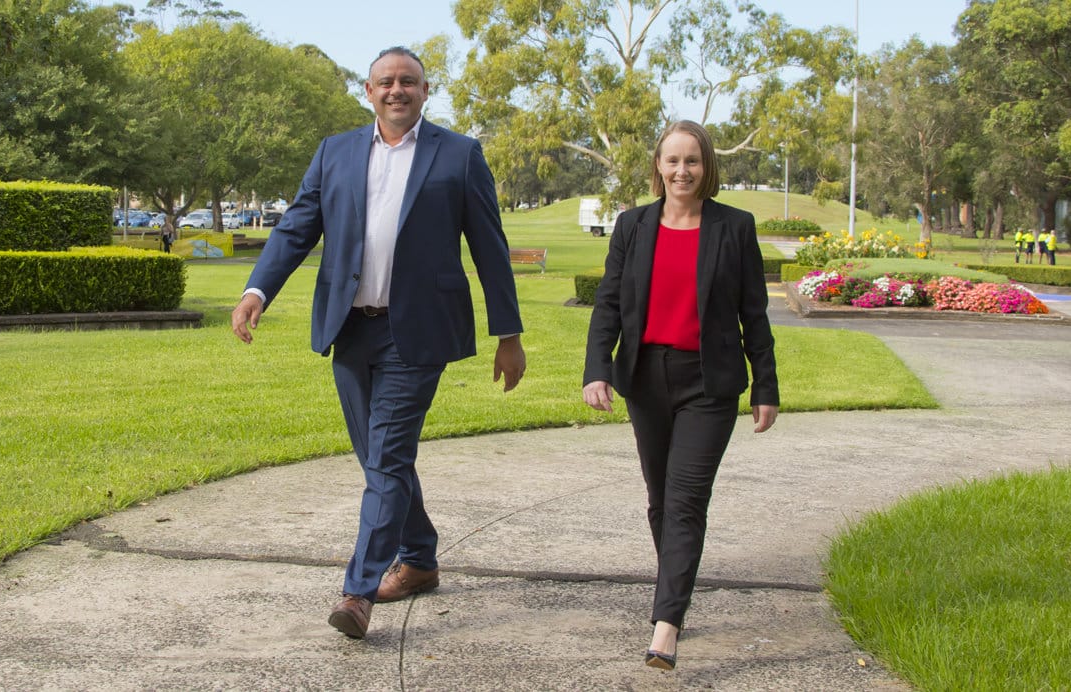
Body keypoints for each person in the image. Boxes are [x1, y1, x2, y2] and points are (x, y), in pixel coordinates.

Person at [231, 46, 526, 640]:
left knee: (387, 456)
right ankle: (418, 557)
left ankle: (358, 592)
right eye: (386, 82)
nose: (397, 90)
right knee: (381, 459)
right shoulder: (335, 151)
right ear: (368, 92)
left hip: (418, 331)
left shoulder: (459, 154)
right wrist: (258, 290)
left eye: (408, 82)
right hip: (350, 326)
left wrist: (508, 335)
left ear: (425, 90)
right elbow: (295, 226)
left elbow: (490, 248)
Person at [582, 120, 779, 671]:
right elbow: (609, 306)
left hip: (708, 383)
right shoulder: (633, 226)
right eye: (672, 161)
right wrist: (597, 370)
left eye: (692, 161)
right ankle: (677, 588)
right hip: (646, 379)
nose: (681, 171)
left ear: (707, 166)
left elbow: (754, 315)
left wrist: (766, 385)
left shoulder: (734, 228)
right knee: (660, 500)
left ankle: (666, 624)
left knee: (686, 500)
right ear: (658, 167)